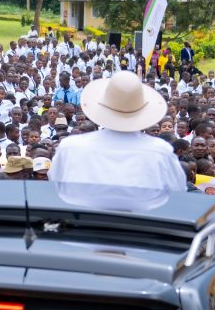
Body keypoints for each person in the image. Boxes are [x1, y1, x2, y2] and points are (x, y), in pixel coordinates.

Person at [50, 72, 182, 210]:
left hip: (81, 226)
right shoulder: (161, 152)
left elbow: (55, 186)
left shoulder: (70, 147)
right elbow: (178, 194)